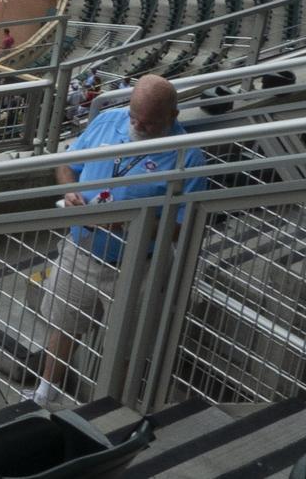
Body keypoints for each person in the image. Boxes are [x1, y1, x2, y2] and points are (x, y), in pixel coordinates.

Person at [30, 75, 209, 409]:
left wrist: (132, 222)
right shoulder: (108, 119)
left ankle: (113, 407)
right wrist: (70, 190)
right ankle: (45, 391)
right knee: (63, 324)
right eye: (134, 117)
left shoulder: (189, 158)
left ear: (173, 116)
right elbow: (67, 164)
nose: (138, 126)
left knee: (126, 343)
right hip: (81, 249)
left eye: (149, 123)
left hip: (138, 266)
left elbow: (185, 225)